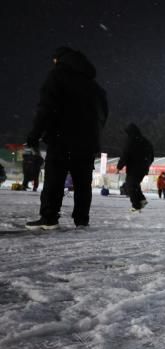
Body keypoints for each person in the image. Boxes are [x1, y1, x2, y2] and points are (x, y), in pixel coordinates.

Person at [25, 47, 108, 230]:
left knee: (54, 178)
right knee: (82, 183)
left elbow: (46, 108)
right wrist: (91, 133)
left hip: (62, 137)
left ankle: (49, 218)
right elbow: (103, 114)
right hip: (87, 141)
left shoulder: (57, 76)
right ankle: (81, 219)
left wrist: (35, 135)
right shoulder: (94, 86)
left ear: (59, 60)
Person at [116, 124, 154, 212]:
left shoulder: (131, 141)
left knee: (130, 186)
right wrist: (147, 164)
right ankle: (142, 200)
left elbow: (125, 155)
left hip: (134, 168)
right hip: (143, 168)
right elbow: (151, 156)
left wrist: (119, 167)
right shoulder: (146, 141)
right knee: (135, 185)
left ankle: (136, 205)